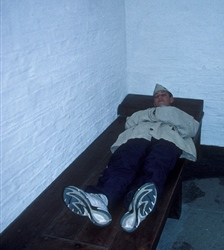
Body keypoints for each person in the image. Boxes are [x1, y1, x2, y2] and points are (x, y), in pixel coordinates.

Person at [63, 84, 200, 233]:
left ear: (171, 99)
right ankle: (99, 200)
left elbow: (191, 128)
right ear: (153, 102)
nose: (159, 97)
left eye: (163, 95)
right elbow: (129, 122)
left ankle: (137, 204)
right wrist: (153, 114)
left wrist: (157, 114)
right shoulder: (142, 113)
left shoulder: (180, 113)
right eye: (156, 96)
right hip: (138, 137)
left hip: (167, 140)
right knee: (123, 163)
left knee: (156, 163)